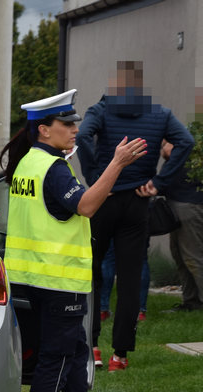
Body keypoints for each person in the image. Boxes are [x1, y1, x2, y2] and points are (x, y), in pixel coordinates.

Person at [0, 89, 146, 392]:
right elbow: (86, 205)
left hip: (27, 281)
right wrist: (117, 164)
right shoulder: (53, 168)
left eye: (74, 122)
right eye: (67, 123)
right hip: (57, 283)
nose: (75, 129)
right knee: (57, 362)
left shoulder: (28, 163)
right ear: (44, 130)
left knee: (75, 351)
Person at [76, 61, 193, 372]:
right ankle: (120, 356)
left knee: (93, 272)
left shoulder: (100, 110)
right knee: (129, 279)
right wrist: (159, 182)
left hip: (106, 198)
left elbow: (83, 138)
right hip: (138, 202)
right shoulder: (161, 114)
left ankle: (93, 346)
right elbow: (186, 142)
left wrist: (95, 177)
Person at [162, 139, 203, 311]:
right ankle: (191, 302)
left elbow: (169, 153)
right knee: (180, 256)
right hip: (177, 205)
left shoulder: (184, 146)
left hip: (188, 207)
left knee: (193, 258)